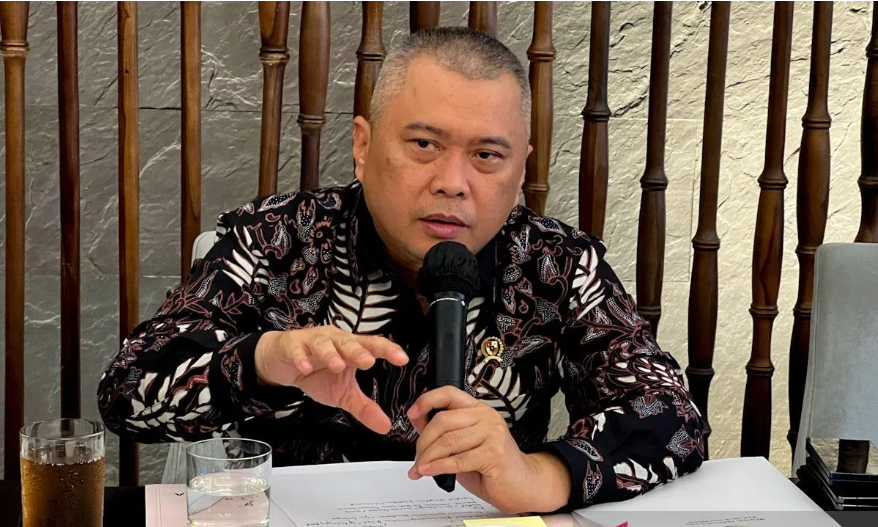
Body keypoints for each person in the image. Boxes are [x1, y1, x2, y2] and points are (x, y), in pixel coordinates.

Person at [98, 27, 704, 513]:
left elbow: (672, 416)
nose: (452, 183)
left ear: (521, 170)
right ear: (363, 146)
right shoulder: (275, 239)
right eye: (424, 145)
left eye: (486, 155)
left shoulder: (557, 262)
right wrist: (262, 360)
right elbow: (126, 391)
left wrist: (541, 476)